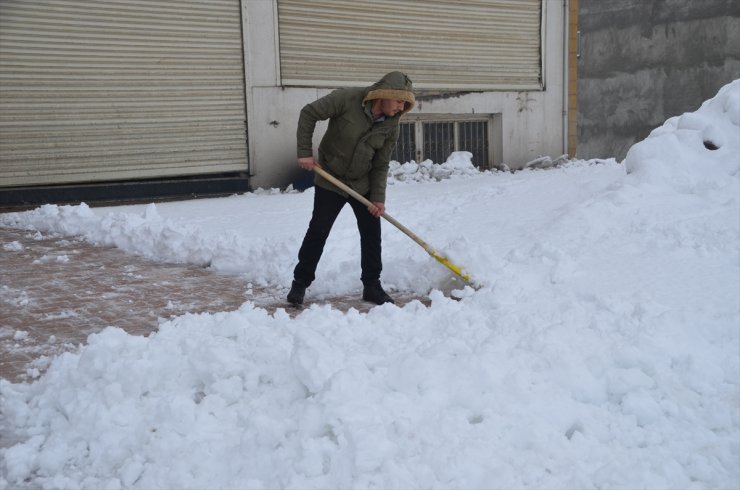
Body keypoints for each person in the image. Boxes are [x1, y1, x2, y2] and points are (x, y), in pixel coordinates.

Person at [287, 71, 416, 306]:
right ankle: (300, 283)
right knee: (319, 230)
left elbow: (381, 163)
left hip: (362, 183)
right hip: (331, 179)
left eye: (405, 104)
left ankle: (372, 286)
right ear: (385, 95)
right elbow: (309, 113)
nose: (401, 108)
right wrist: (304, 151)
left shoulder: (392, 124)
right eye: (399, 101)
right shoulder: (347, 99)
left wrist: (378, 198)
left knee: (371, 234)